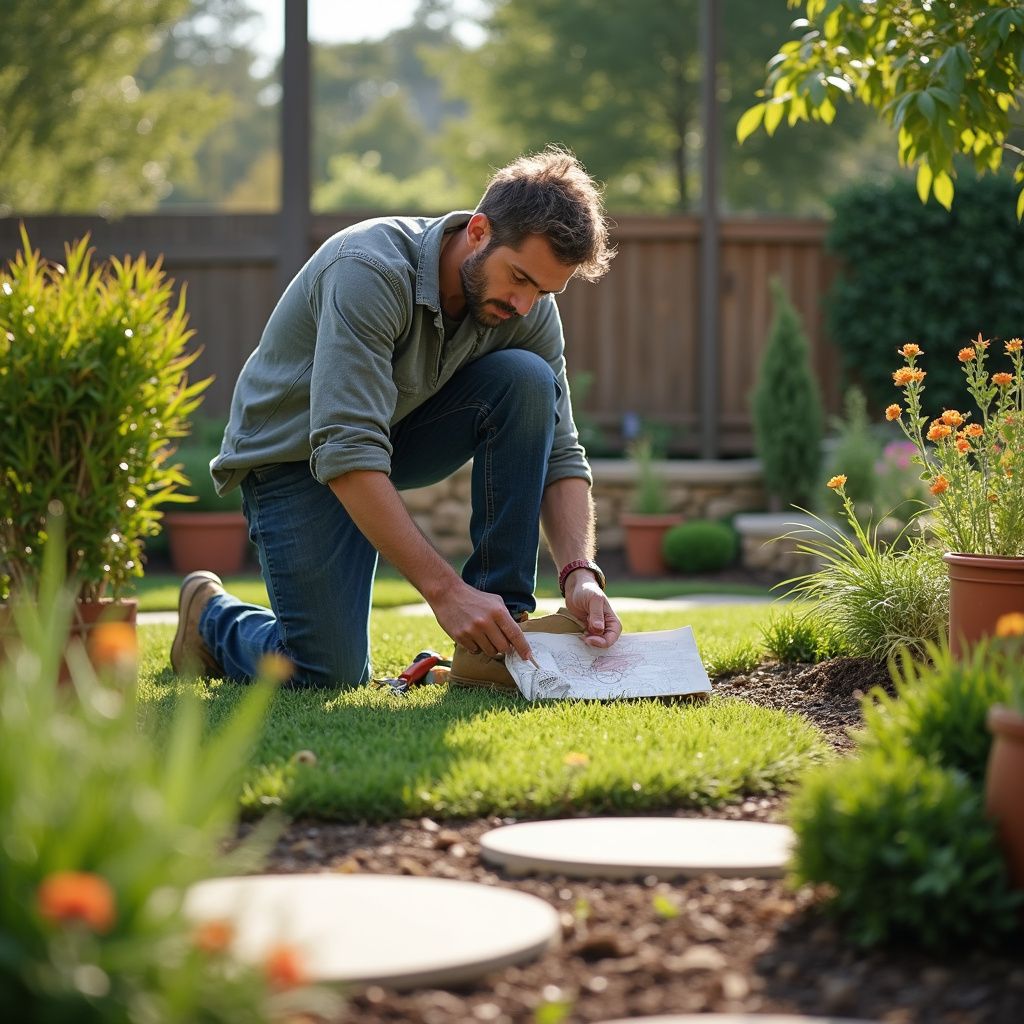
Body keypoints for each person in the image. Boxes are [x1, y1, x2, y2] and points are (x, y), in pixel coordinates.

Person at [170, 146, 622, 690]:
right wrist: (446, 593)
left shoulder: (527, 309)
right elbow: (346, 448)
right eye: (520, 279)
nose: (526, 305)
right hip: (292, 456)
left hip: (389, 438)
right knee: (327, 674)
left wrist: (580, 574)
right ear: (479, 231)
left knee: (529, 379)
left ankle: (496, 637)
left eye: (544, 291)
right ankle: (210, 618)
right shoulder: (368, 270)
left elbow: (561, 450)